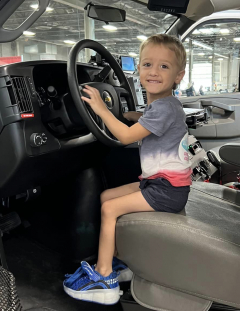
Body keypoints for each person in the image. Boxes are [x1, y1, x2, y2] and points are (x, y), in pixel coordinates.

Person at [63, 34, 191, 305]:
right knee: (106, 197)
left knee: (110, 209)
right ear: (138, 69)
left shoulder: (164, 109)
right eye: (147, 64)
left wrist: (101, 108)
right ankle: (119, 260)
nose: (153, 72)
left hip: (166, 190)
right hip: (161, 184)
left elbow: (124, 137)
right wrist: (132, 116)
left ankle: (103, 277)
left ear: (179, 76)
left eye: (164, 67)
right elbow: (146, 121)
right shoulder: (162, 107)